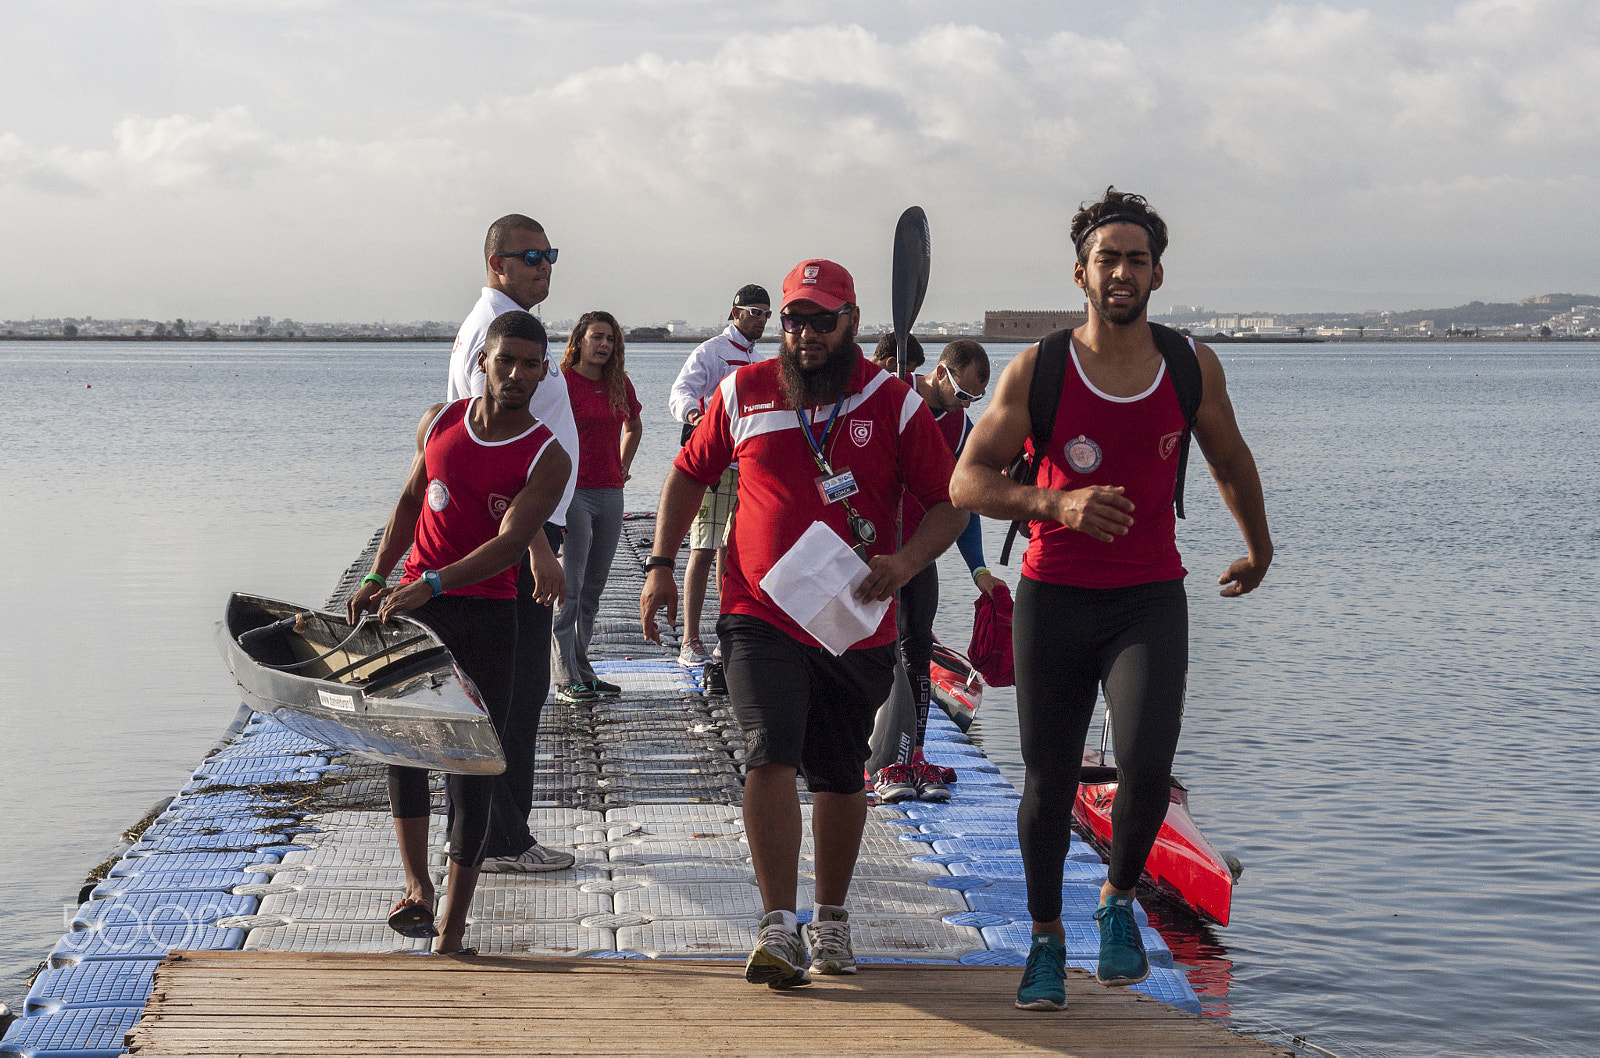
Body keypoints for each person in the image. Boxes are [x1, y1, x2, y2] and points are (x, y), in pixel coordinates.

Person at [951, 188, 1273, 1011]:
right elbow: (968, 479)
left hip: (1148, 598)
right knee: (1046, 781)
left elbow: (1230, 461)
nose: (1121, 271)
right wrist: (1055, 504)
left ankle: (1119, 900)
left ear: (1157, 273)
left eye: (1136, 258)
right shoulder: (1041, 368)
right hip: (1055, 595)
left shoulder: (1192, 364)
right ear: (1081, 273)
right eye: (1107, 259)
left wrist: (1259, 548)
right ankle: (1047, 938)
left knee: (1149, 763)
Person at [641, 259, 966, 989]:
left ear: (851, 323)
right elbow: (690, 473)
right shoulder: (744, 391)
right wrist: (661, 565)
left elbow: (951, 502)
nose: (805, 334)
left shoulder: (893, 402)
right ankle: (778, 925)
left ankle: (832, 916)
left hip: (855, 621)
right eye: (794, 320)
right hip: (758, 611)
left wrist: (906, 562)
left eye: (822, 320)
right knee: (768, 753)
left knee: (840, 774)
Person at [347, 310, 572, 954]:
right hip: (417, 605)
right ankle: (417, 890)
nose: (517, 374)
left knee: (474, 763)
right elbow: (411, 500)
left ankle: (454, 924)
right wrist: (377, 574)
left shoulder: (547, 456)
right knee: (405, 747)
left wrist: (434, 582)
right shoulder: (441, 422)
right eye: (506, 361)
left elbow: (510, 546)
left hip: (484, 616)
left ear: (542, 372)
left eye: (531, 365)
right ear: (484, 362)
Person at [443, 213, 579, 872]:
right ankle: (498, 840)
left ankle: (489, 833)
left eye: (550, 255)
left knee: (511, 691)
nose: (544, 266)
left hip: (520, 528)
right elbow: (490, 449)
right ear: (496, 262)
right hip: (511, 535)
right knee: (511, 692)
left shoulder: (509, 328)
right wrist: (535, 547)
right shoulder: (489, 336)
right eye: (531, 256)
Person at [865, 334, 1004, 804]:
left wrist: (980, 571)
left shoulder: (963, 429)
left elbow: (965, 505)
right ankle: (862, 748)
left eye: (975, 399)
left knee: (917, 645)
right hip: (871, 546)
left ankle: (912, 752)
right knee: (865, 645)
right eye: (963, 393)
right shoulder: (892, 392)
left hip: (918, 551)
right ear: (940, 371)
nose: (967, 404)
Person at [667, 284, 770, 667]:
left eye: (766, 314)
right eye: (754, 312)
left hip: (746, 469)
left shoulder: (760, 361)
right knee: (703, 550)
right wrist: (696, 417)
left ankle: (728, 636)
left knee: (734, 555)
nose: (760, 319)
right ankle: (689, 641)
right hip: (712, 467)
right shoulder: (710, 352)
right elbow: (680, 392)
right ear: (735, 312)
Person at [551, 311, 643, 702]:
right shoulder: (563, 383)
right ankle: (563, 677)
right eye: (596, 337)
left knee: (593, 590)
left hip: (610, 493)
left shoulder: (618, 383)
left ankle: (582, 669)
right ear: (580, 341)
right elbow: (542, 432)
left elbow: (633, 426)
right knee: (568, 589)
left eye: (610, 339)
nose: (603, 345)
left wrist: (623, 467)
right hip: (572, 494)